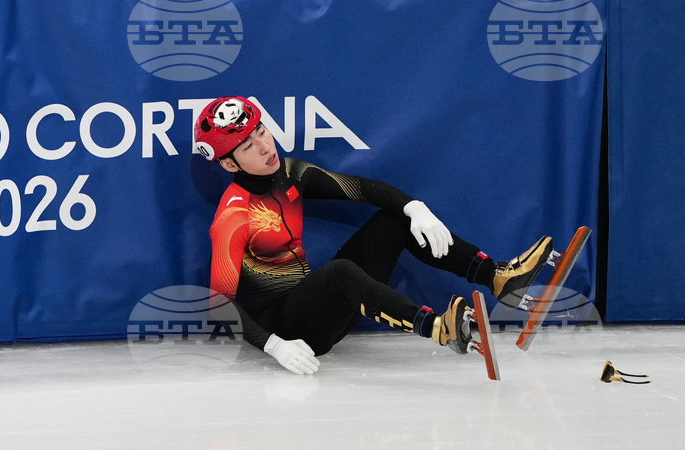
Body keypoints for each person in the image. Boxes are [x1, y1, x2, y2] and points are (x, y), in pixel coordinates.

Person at [194, 96, 554, 375]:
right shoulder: (234, 216)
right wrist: (274, 346)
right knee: (340, 271)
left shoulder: (289, 173)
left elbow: (362, 188)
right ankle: (438, 328)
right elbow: (218, 304)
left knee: (394, 220)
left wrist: (414, 207)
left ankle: (498, 277)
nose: (264, 146)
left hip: (322, 309)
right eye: (247, 146)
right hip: (291, 332)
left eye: (261, 131)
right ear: (228, 163)